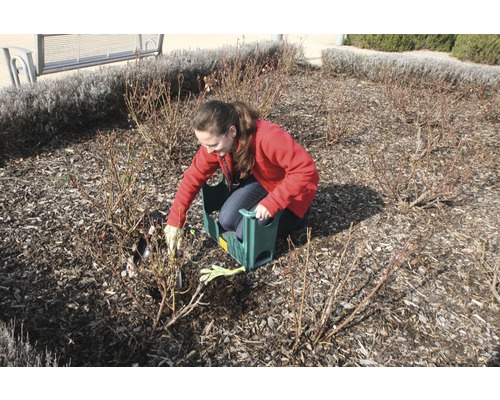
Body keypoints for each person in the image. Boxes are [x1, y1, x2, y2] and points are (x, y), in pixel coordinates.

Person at [164, 99, 319, 259]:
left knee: (245, 235)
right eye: (204, 145)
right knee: (225, 220)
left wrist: (273, 202)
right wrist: (175, 221)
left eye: (213, 145)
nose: (209, 151)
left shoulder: (268, 137)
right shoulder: (215, 146)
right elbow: (193, 176)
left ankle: (296, 219)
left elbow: (306, 170)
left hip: (295, 194)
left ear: (232, 131)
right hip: (265, 181)